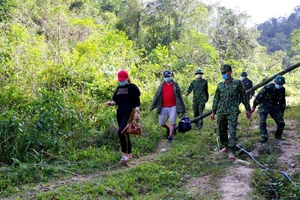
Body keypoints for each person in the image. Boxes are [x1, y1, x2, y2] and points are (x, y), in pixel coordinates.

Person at [210, 64, 251, 160]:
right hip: (221, 111)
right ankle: (226, 146)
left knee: (232, 130)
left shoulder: (237, 83)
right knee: (221, 130)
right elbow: (216, 99)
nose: (224, 74)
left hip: (232, 111)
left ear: (230, 72)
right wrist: (213, 112)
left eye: (225, 72)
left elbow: (243, 96)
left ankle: (232, 151)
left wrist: (248, 109)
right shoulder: (220, 85)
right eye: (222, 73)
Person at [106, 69, 141, 163]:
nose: (121, 81)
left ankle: (124, 154)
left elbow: (136, 101)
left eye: (122, 80)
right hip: (120, 111)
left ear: (127, 78)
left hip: (129, 111)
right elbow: (115, 101)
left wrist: (137, 112)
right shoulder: (119, 88)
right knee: (125, 132)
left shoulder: (133, 87)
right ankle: (129, 154)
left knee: (121, 131)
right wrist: (110, 103)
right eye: (119, 80)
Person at [150, 70, 186, 142]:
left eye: (168, 76)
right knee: (162, 123)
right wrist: (152, 106)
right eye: (165, 76)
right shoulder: (161, 86)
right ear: (163, 77)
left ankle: (170, 136)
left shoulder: (175, 85)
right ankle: (169, 128)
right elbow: (156, 96)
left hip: (173, 106)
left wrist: (183, 108)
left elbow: (180, 97)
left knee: (173, 122)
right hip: (163, 106)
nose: (167, 78)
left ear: (171, 76)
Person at [251, 75, 286, 143]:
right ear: (275, 82)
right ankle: (264, 137)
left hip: (274, 106)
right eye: (278, 84)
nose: (279, 85)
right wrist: (254, 106)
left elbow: (282, 101)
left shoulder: (282, 89)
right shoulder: (267, 87)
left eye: (281, 84)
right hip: (264, 105)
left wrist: (281, 111)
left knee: (281, 123)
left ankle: (278, 135)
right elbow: (259, 96)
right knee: (263, 121)